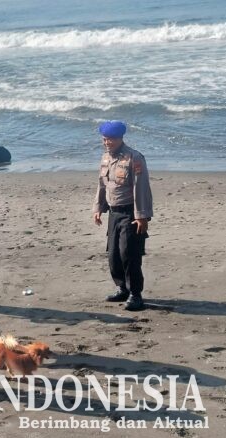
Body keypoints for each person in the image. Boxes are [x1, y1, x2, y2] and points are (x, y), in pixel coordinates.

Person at [92, 121, 153, 311]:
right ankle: (122, 288)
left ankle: (135, 294)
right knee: (114, 255)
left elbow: (140, 188)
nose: (107, 143)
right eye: (105, 139)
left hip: (130, 213)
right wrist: (98, 208)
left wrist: (141, 216)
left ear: (120, 138)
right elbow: (102, 185)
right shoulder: (105, 158)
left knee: (129, 254)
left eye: (111, 139)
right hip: (114, 213)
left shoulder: (134, 157)